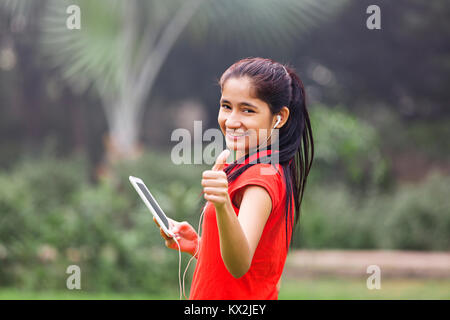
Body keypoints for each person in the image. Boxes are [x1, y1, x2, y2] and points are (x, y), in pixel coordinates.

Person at [154, 57, 314, 299]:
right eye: (226, 106)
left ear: (279, 117)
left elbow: (239, 265)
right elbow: (254, 264)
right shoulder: (260, 167)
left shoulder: (261, 178)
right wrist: (199, 245)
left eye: (247, 110)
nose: (231, 121)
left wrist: (222, 204)